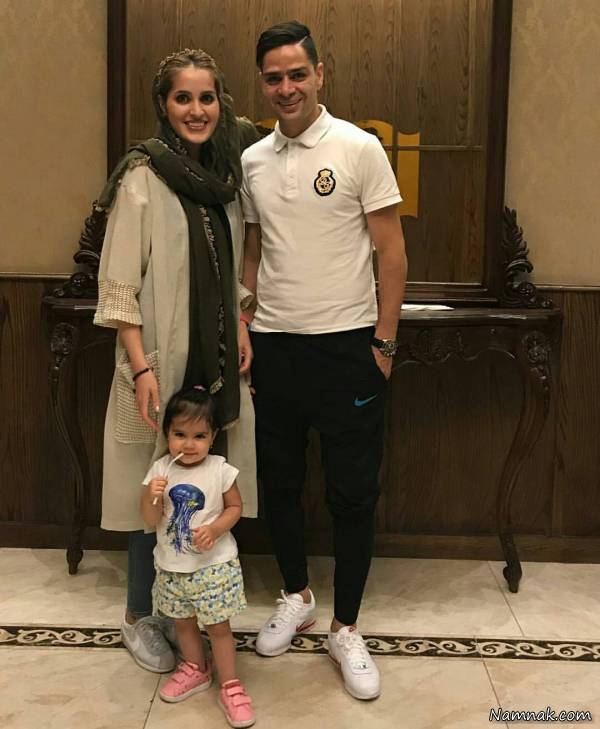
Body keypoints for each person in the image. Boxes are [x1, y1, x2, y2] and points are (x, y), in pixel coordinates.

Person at [240, 21, 407, 700]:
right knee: (279, 484)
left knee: (351, 494)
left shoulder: (359, 147)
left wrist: (384, 344)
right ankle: (297, 595)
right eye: (274, 78)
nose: (286, 88)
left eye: (297, 74)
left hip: (348, 349)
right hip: (274, 347)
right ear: (263, 83)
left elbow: (391, 253)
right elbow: (254, 250)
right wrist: (245, 323)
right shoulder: (253, 159)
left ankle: (346, 626)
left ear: (320, 74)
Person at [94, 49, 258, 675]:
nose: (196, 109)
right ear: (163, 105)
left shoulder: (223, 179)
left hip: (213, 361)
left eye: (206, 97)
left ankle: (189, 603)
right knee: (153, 480)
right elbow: (120, 285)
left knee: (204, 478)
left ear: (221, 103)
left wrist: (240, 323)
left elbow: (230, 265)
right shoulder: (143, 175)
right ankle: (141, 613)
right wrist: (141, 368)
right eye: (183, 98)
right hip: (159, 361)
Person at [141, 387, 254, 727]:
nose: (189, 445)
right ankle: (195, 668)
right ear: (167, 434)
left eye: (199, 436)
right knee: (183, 623)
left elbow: (235, 507)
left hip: (213, 567)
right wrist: (151, 496)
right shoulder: (160, 470)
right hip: (172, 567)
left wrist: (216, 529)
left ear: (213, 437)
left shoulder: (220, 469)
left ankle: (230, 684)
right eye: (180, 434)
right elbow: (149, 519)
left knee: (218, 627)